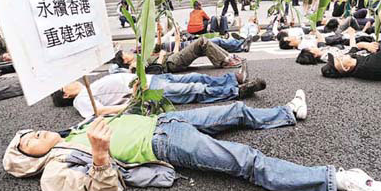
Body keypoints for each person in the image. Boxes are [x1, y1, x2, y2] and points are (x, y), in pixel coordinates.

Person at [4, 93, 381, 191]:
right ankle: (339, 183)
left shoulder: (73, 128)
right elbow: (104, 190)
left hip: (165, 121)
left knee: (233, 110)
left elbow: (115, 120)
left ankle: (286, 112)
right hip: (163, 144)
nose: (36, 132)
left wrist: (112, 112)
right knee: (245, 161)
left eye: (33, 129)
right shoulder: (55, 169)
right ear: (28, 160)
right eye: (28, 140)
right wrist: (100, 155)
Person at [51, 65, 267, 118]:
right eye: (64, 85)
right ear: (66, 95)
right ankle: (236, 92)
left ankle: (232, 79)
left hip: (152, 79)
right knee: (193, 90)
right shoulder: (80, 99)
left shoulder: (88, 87)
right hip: (148, 89)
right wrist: (133, 102)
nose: (69, 81)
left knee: (194, 78)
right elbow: (99, 112)